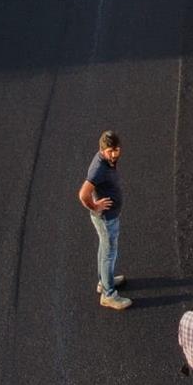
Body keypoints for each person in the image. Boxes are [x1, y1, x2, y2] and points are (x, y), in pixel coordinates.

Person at [79, 131, 130, 309]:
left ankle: (104, 281)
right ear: (102, 150)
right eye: (110, 151)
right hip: (106, 219)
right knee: (109, 253)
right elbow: (83, 194)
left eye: (117, 149)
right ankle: (108, 295)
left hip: (107, 218)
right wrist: (94, 206)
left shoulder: (108, 160)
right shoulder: (98, 169)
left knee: (104, 247)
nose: (115, 154)